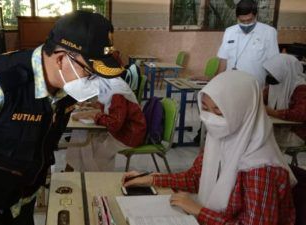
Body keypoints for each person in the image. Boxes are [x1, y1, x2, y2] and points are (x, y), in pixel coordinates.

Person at [0, 11, 124, 225]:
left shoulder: (65, 87)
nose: (93, 81)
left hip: (25, 193)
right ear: (60, 59)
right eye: (90, 72)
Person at [122, 71, 297, 224]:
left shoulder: (260, 167)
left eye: (219, 112)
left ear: (244, 112)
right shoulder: (220, 137)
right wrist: (151, 178)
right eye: (205, 108)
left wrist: (199, 210)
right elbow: (194, 179)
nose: (211, 119)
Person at [65, 77, 146, 171]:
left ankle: (94, 178)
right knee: (80, 135)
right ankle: (72, 171)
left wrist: (93, 115)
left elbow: (115, 124)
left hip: (129, 134)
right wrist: (93, 105)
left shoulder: (117, 93)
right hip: (122, 130)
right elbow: (111, 106)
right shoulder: (111, 84)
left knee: (91, 147)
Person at [217, 0, 279, 87]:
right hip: (230, 84)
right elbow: (223, 61)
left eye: (249, 20)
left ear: (256, 15)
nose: (246, 23)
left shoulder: (268, 32)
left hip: (255, 85)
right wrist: (215, 82)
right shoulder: (229, 31)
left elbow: (273, 63)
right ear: (237, 17)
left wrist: (268, 89)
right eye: (242, 21)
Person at [263, 53, 306, 147]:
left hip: (295, 133)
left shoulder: (301, 88)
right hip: (276, 129)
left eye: (273, 72)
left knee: (260, 142)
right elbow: (262, 98)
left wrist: (273, 112)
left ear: (284, 71)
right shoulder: (275, 84)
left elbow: (302, 114)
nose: (270, 75)